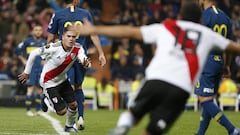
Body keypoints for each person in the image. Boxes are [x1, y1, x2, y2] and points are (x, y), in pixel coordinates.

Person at [76, 2, 240, 135]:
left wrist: (94, 29)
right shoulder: (207, 34)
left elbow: (129, 31)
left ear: (180, 16)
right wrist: (226, 64)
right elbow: (234, 47)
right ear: (200, 20)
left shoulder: (167, 26)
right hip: (180, 90)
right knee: (152, 131)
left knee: (134, 114)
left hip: (156, 80)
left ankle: (124, 125)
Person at [18, 24, 91, 132]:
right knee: (61, 112)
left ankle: (69, 126)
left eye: (73, 37)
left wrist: (86, 64)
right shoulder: (53, 47)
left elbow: (84, 60)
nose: (71, 39)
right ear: (62, 37)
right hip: (48, 82)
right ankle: (45, 97)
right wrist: (27, 72)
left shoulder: (78, 48)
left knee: (73, 105)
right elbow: (33, 53)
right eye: (68, 36)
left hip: (63, 80)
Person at [47, 0, 106, 130]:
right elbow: (93, 34)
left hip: (64, 56)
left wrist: (48, 54)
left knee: (63, 85)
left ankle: (49, 101)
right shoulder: (86, 13)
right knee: (78, 86)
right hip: (80, 55)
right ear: (75, 1)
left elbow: (50, 37)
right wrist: (101, 53)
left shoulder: (58, 14)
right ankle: (80, 117)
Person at [194, 1, 238, 135]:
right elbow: (229, 45)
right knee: (209, 98)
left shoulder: (204, 16)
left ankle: (232, 130)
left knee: (204, 100)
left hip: (207, 60)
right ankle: (200, 133)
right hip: (219, 61)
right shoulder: (225, 17)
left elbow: (198, 41)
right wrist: (227, 65)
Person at [15, 24, 47, 116]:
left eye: (40, 30)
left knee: (39, 90)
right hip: (31, 69)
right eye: (36, 30)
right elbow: (17, 50)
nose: (38, 32)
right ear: (33, 31)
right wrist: (23, 59)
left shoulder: (45, 42)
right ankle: (28, 110)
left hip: (41, 69)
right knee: (30, 88)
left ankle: (37, 110)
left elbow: (49, 54)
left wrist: (45, 60)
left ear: (42, 31)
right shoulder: (27, 41)